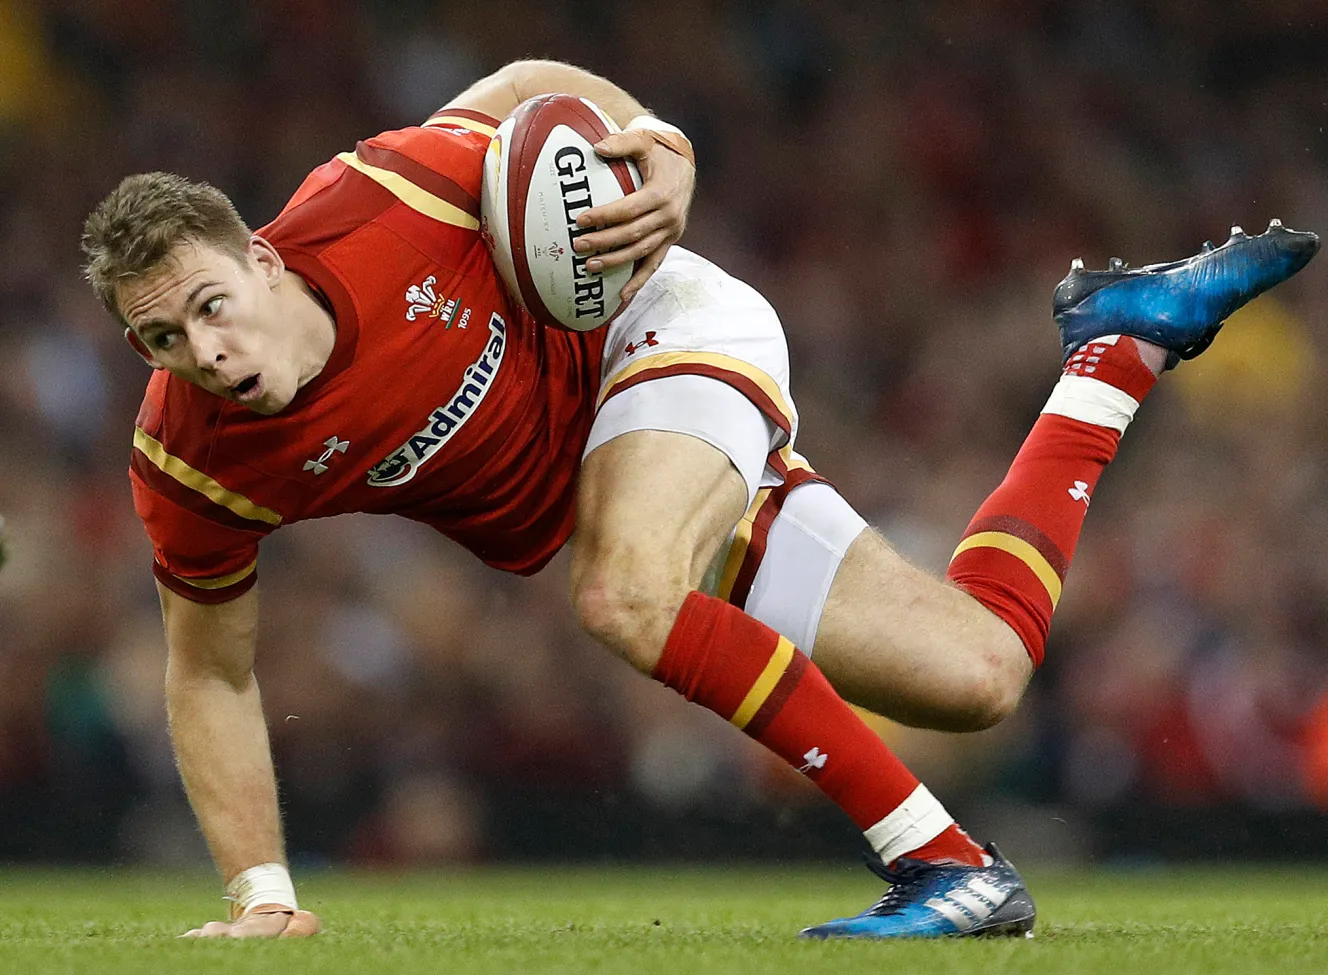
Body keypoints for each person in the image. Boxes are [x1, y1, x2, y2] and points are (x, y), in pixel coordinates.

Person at [81, 58, 1317, 940]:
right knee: (974, 676)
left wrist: (661, 152)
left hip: (661, 332)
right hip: (624, 468)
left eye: (210, 305)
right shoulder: (191, 462)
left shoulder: (377, 201)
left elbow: (522, 83)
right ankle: (1116, 353)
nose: (205, 353)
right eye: (163, 342)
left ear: (260, 257)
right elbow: (213, 672)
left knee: (623, 591)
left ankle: (945, 866)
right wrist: (260, 890)